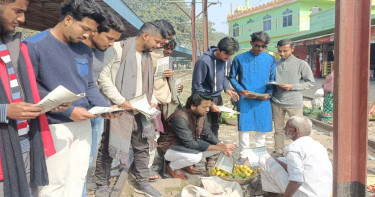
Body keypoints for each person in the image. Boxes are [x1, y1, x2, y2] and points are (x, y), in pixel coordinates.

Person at [24, 1, 118, 196]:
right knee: (54, 183)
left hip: (83, 123)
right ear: (68, 20)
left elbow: (88, 85)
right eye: (85, 28)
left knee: (78, 177)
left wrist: (105, 107)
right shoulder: (34, 45)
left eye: (92, 31)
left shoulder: (84, 50)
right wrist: (69, 110)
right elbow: (29, 89)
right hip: (52, 125)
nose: (87, 35)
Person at [0, 0, 69, 196]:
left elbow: (24, 92)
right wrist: (5, 110)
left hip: (26, 145)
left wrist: (49, 104)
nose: (22, 19)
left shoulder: (16, 46)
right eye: (17, 11)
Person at [95, 21, 167, 197]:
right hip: (118, 108)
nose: (158, 46)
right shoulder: (117, 49)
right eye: (157, 42)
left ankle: (142, 182)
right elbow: (103, 78)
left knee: (142, 146)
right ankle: (101, 183)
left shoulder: (147, 56)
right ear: (145, 36)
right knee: (108, 146)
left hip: (140, 110)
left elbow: (148, 83)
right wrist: (121, 101)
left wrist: (152, 100)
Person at [81, 10, 124, 196]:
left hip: (95, 114)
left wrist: (105, 108)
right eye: (109, 38)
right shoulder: (74, 48)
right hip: (75, 115)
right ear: (95, 31)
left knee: (86, 163)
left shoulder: (100, 52)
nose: (111, 43)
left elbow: (93, 83)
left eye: (115, 40)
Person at [158, 92, 235, 180]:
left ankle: (186, 164)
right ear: (193, 106)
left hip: (186, 144)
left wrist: (221, 145)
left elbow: (207, 133)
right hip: (169, 147)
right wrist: (219, 148)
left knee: (221, 145)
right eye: (205, 107)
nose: (207, 110)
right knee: (195, 157)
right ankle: (172, 167)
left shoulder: (201, 113)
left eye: (208, 106)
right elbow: (190, 143)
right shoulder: (179, 117)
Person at [191, 37, 239, 168]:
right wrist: (210, 105)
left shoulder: (226, 60)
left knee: (215, 126)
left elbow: (224, 77)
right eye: (226, 55)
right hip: (203, 98)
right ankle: (199, 155)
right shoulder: (203, 61)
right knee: (202, 128)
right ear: (218, 50)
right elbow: (197, 86)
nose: (228, 58)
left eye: (230, 56)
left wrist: (227, 89)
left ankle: (212, 154)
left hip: (217, 97)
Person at [229, 31, 275, 164]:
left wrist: (269, 93)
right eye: (257, 46)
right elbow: (231, 77)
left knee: (262, 126)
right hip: (245, 98)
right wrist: (240, 90)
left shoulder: (270, 59)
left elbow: (272, 79)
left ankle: (260, 154)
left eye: (263, 47)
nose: (259, 49)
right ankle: (244, 154)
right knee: (244, 126)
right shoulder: (239, 58)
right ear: (251, 43)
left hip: (263, 99)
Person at [259, 116, 332, 197]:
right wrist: (275, 160)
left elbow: (296, 180)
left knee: (264, 158)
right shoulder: (318, 145)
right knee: (281, 159)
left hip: (304, 194)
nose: (284, 129)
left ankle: (274, 193)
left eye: (287, 127)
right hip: (324, 192)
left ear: (296, 130)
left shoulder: (294, 148)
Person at [271, 39, 315, 156]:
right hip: (277, 101)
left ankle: (299, 152)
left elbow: (310, 83)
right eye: (279, 51)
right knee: (278, 129)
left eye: (285, 51)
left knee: (299, 130)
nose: (282, 53)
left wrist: (292, 86)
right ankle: (279, 151)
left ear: (292, 49)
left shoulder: (301, 64)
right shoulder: (275, 64)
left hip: (294, 102)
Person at [148, 39, 180, 182]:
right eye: (166, 47)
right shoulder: (151, 57)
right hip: (153, 103)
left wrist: (174, 84)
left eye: (171, 48)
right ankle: (148, 167)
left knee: (160, 135)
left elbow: (170, 82)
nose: (168, 51)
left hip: (163, 103)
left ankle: (156, 165)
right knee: (151, 135)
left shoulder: (167, 60)